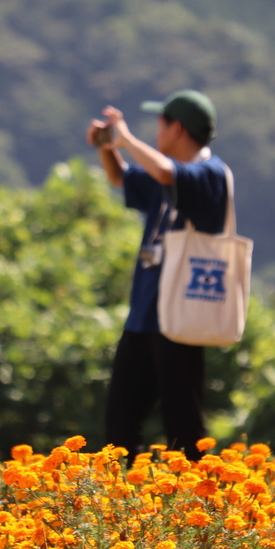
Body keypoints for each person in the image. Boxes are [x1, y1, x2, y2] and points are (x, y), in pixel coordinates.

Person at [87, 89, 230, 460]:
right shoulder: (163, 172)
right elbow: (122, 178)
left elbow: (168, 173)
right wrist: (108, 147)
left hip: (181, 317)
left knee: (183, 427)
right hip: (144, 315)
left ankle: (196, 505)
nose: (156, 131)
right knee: (119, 422)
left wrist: (126, 138)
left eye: (160, 123)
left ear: (176, 128)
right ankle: (126, 500)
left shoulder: (209, 175)